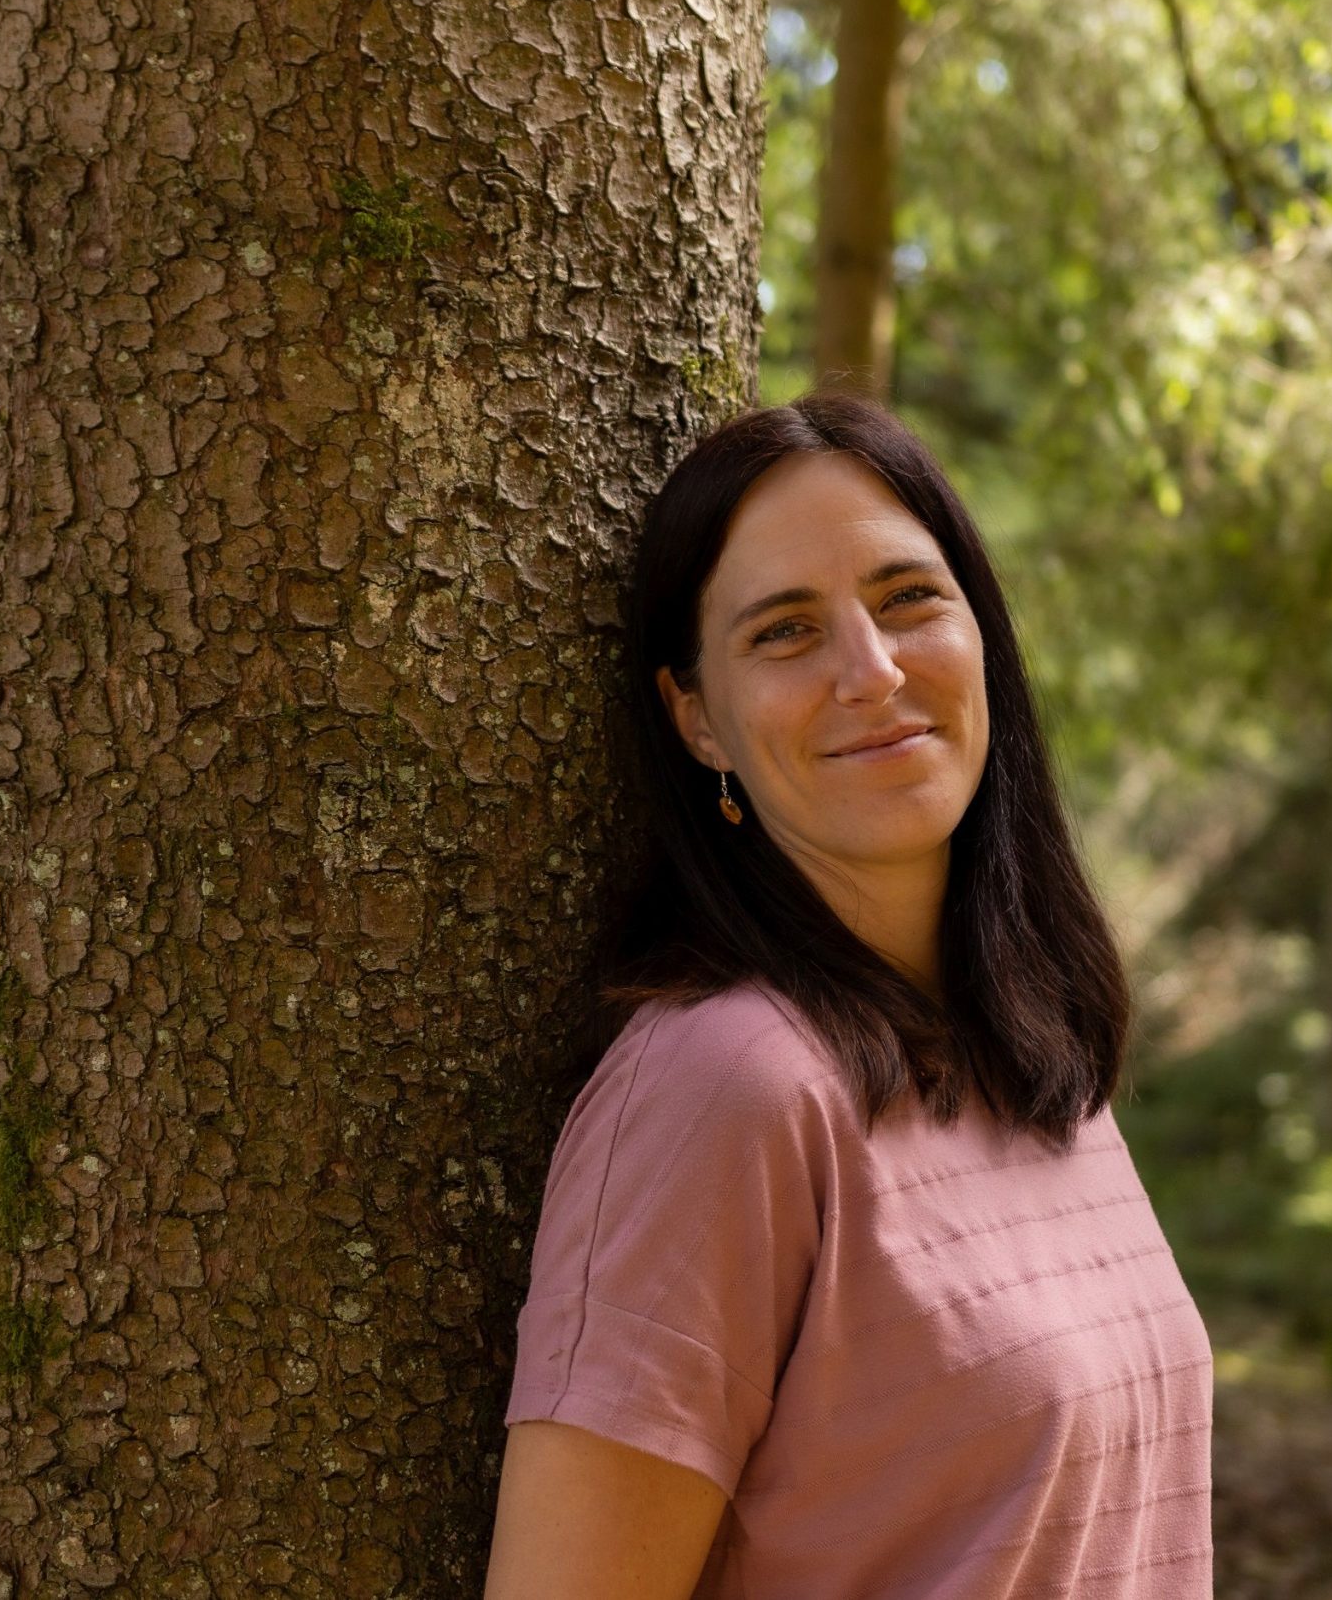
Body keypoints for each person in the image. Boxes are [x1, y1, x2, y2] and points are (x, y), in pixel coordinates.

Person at [482, 393, 1214, 1599]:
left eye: (907, 598)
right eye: (782, 632)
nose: (870, 672)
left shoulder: (1038, 1060)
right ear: (698, 720)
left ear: (980, 633)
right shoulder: (722, 1088)